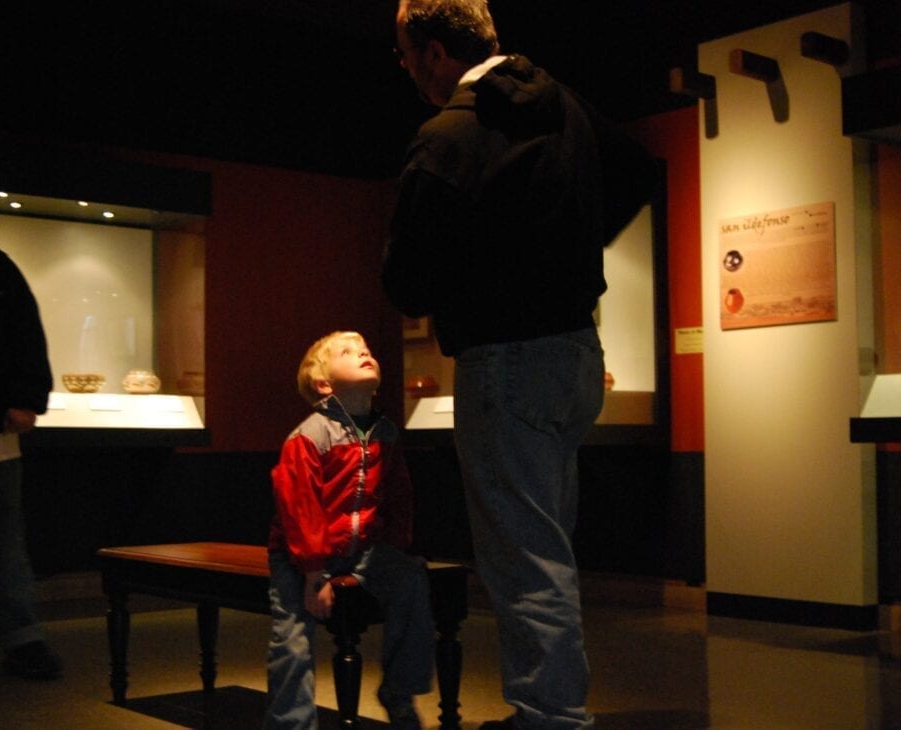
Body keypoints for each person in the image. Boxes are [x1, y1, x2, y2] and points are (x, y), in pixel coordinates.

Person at [383, 2, 658, 728]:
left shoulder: (448, 135)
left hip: (505, 360)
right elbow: (636, 169)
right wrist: (562, 250)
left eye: (407, 55)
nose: (408, 69)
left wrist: (487, 271)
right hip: (575, 350)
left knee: (522, 558)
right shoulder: (562, 103)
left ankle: (551, 715)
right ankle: (551, 708)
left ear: (437, 52)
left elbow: (406, 280)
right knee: (546, 545)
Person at [264, 331, 433, 730]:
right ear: (324, 383)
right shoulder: (310, 435)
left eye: (366, 350)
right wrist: (314, 574)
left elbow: (398, 495)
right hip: (299, 554)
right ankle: (291, 723)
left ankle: (399, 691)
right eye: (347, 352)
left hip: (363, 549)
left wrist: (397, 548)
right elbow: (299, 507)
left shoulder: (384, 433)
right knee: (291, 637)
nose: (363, 354)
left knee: (411, 579)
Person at [0, 240, 62, 680]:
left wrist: (27, 397)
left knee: (1, 541)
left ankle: (22, 637)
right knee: (1, 539)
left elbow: (24, 330)